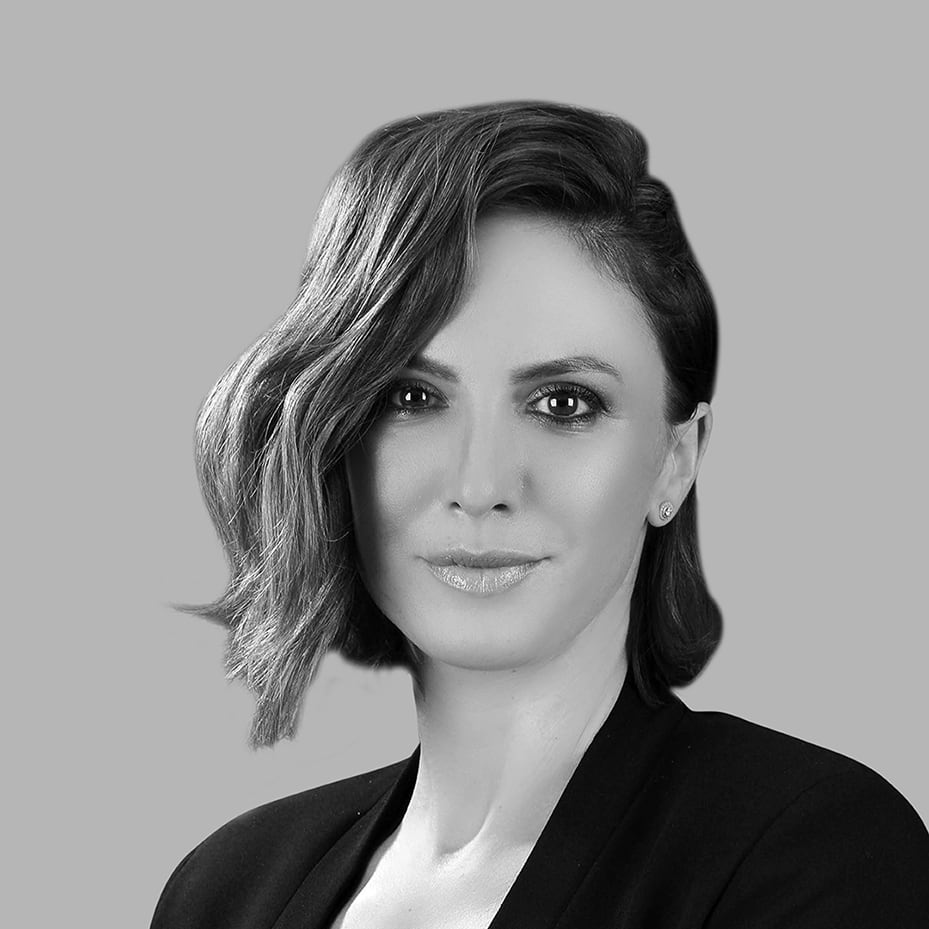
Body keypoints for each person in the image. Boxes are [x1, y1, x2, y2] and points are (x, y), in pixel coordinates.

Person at [151, 101, 929, 928]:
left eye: (563, 402)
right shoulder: (224, 891)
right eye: (409, 397)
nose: (480, 483)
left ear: (676, 459)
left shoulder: (814, 849)